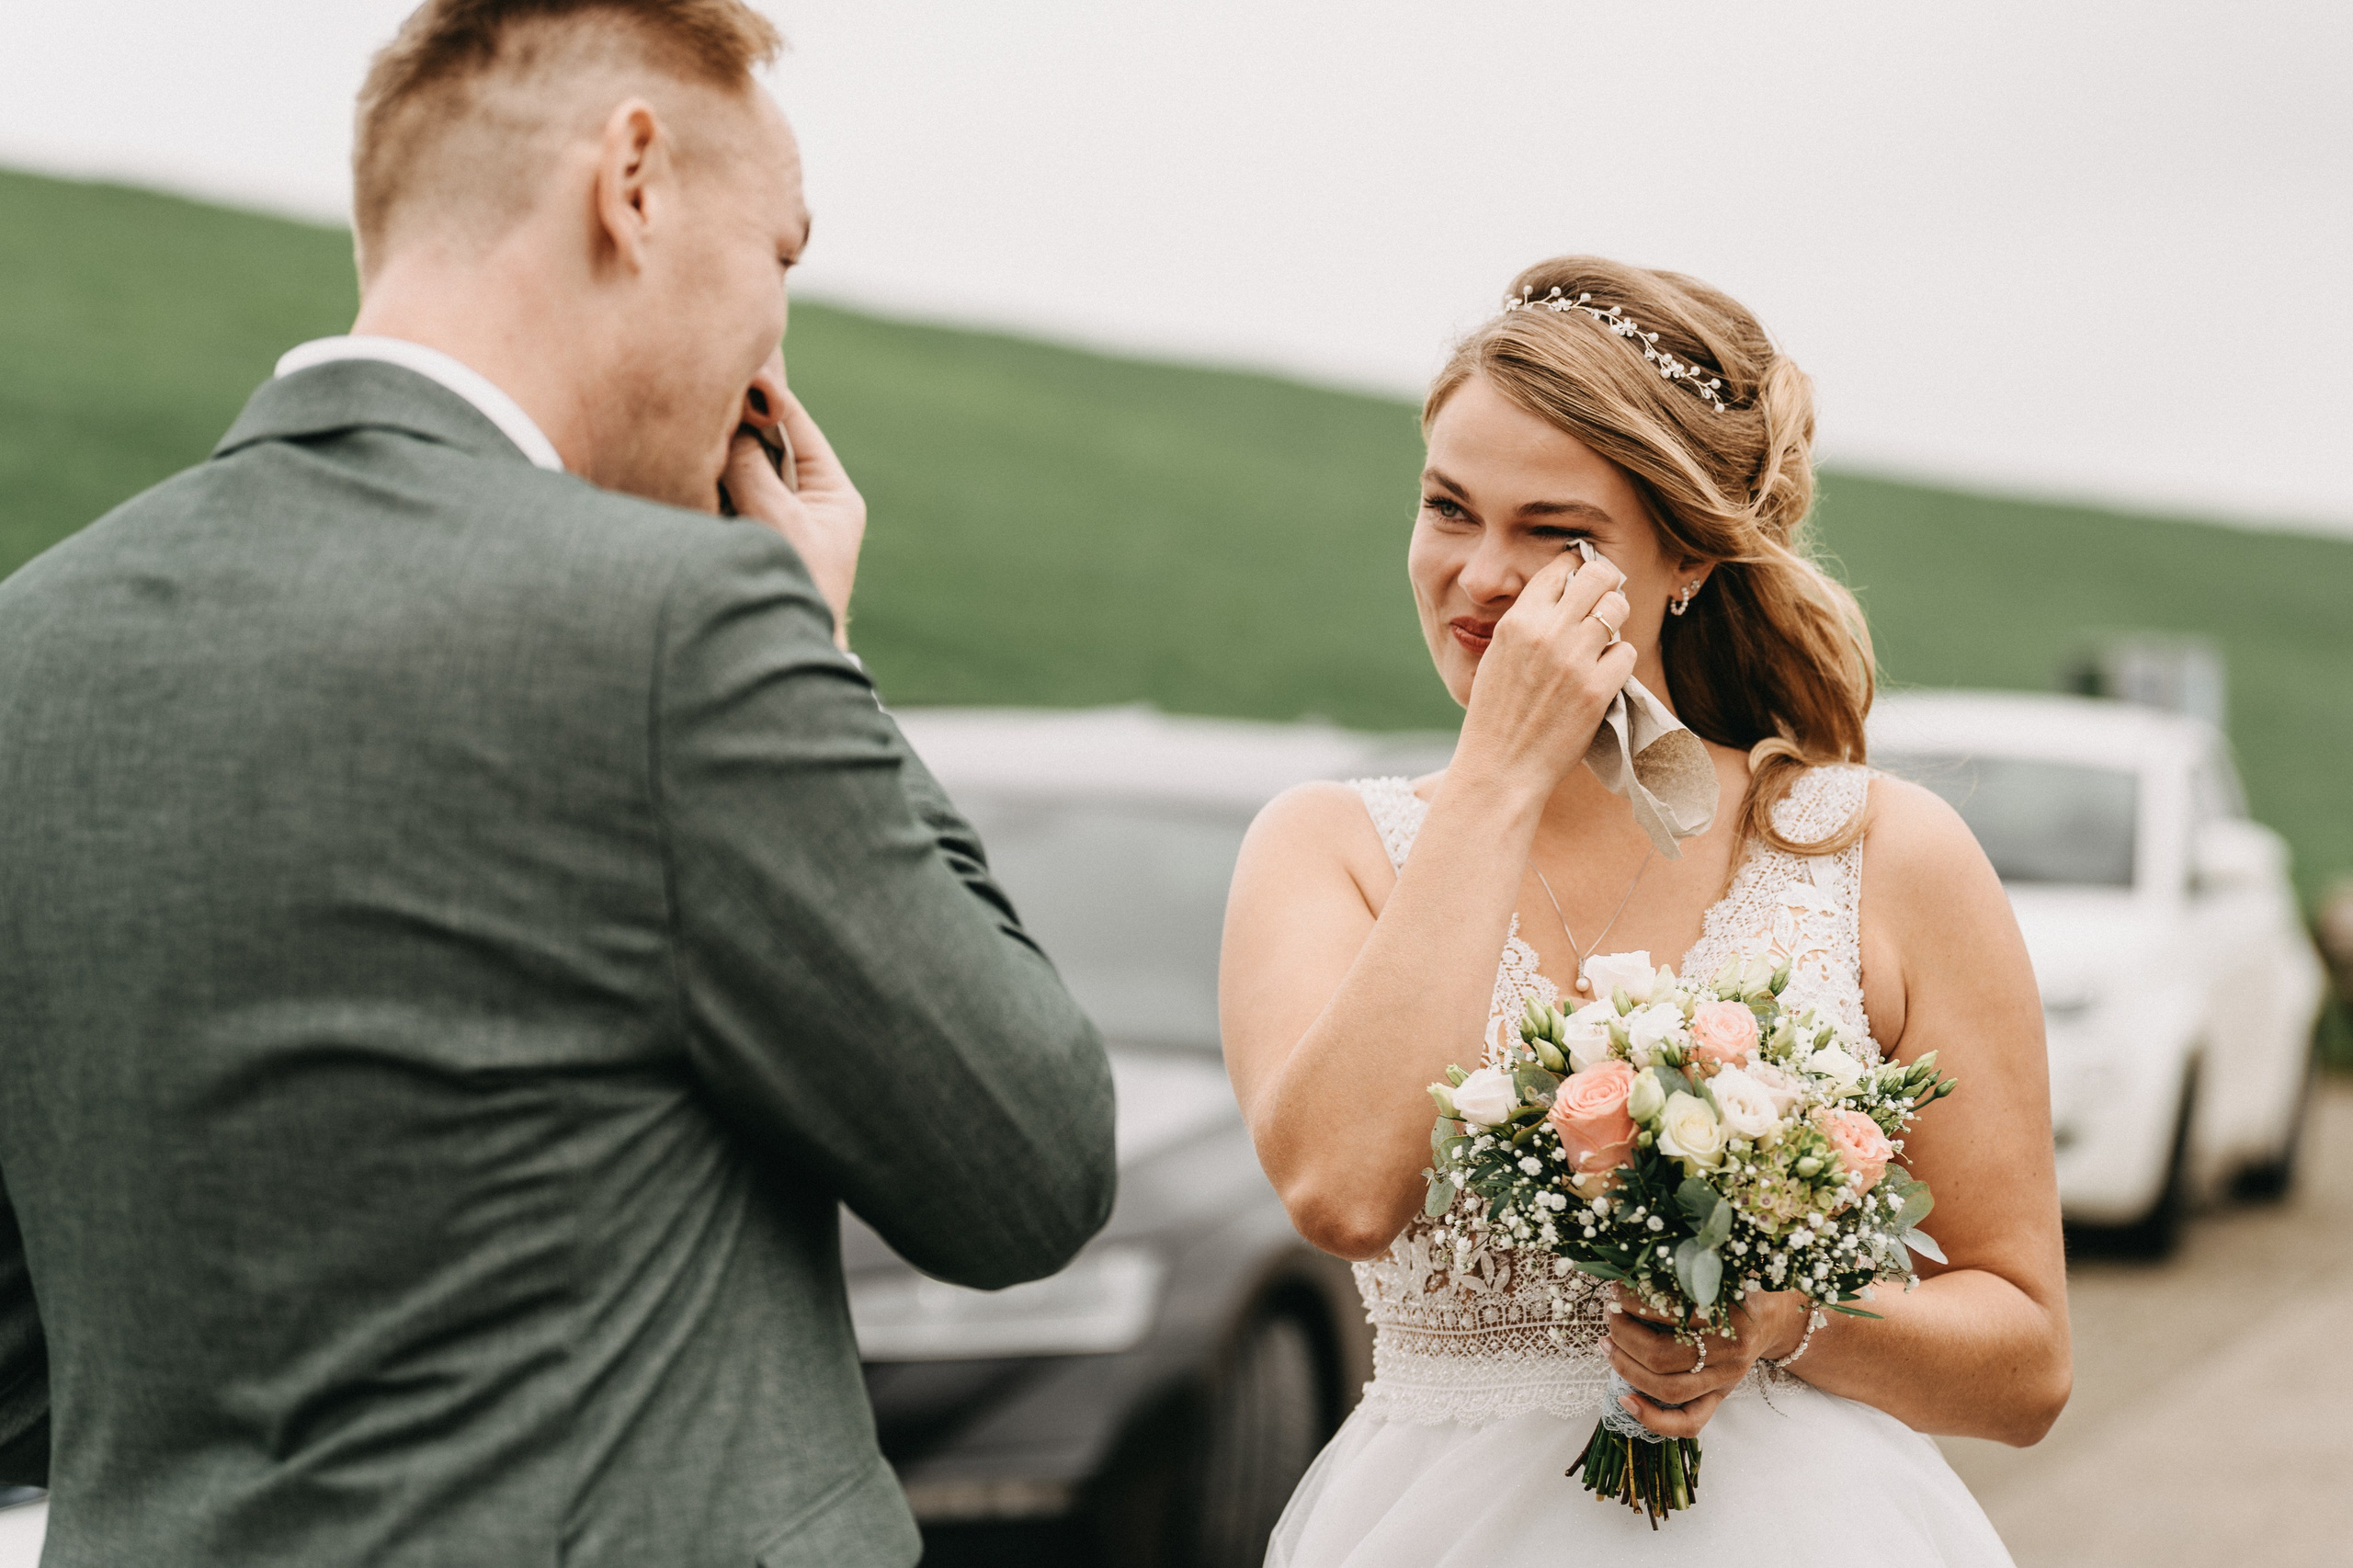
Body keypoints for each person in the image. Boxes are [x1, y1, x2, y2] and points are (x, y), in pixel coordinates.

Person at [0, 4, 1117, 1565]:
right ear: (635, 182)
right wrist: (819, 644)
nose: (771, 350)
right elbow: (1027, 1168)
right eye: (779, 257)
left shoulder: (28, 644)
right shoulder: (681, 625)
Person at [1222, 256, 2070, 1564]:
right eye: (1449, 509)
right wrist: (1499, 774)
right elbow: (1343, 1191)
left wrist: (1792, 1318)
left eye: (1556, 535)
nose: (1480, 576)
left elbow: (2027, 1361)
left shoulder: (1879, 852)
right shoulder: (1325, 848)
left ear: (1683, 558)